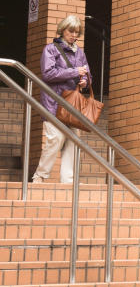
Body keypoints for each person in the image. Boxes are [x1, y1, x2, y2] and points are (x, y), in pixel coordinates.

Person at [34, 15, 91, 184]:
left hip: (72, 104)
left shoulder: (80, 53)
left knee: (73, 141)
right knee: (55, 139)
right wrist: (75, 72)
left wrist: (85, 81)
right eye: (71, 31)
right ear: (62, 30)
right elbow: (48, 73)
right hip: (53, 103)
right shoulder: (50, 49)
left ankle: (68, 180)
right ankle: (40, 176)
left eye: (77, 33)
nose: (74, 35)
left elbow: (88, 75)